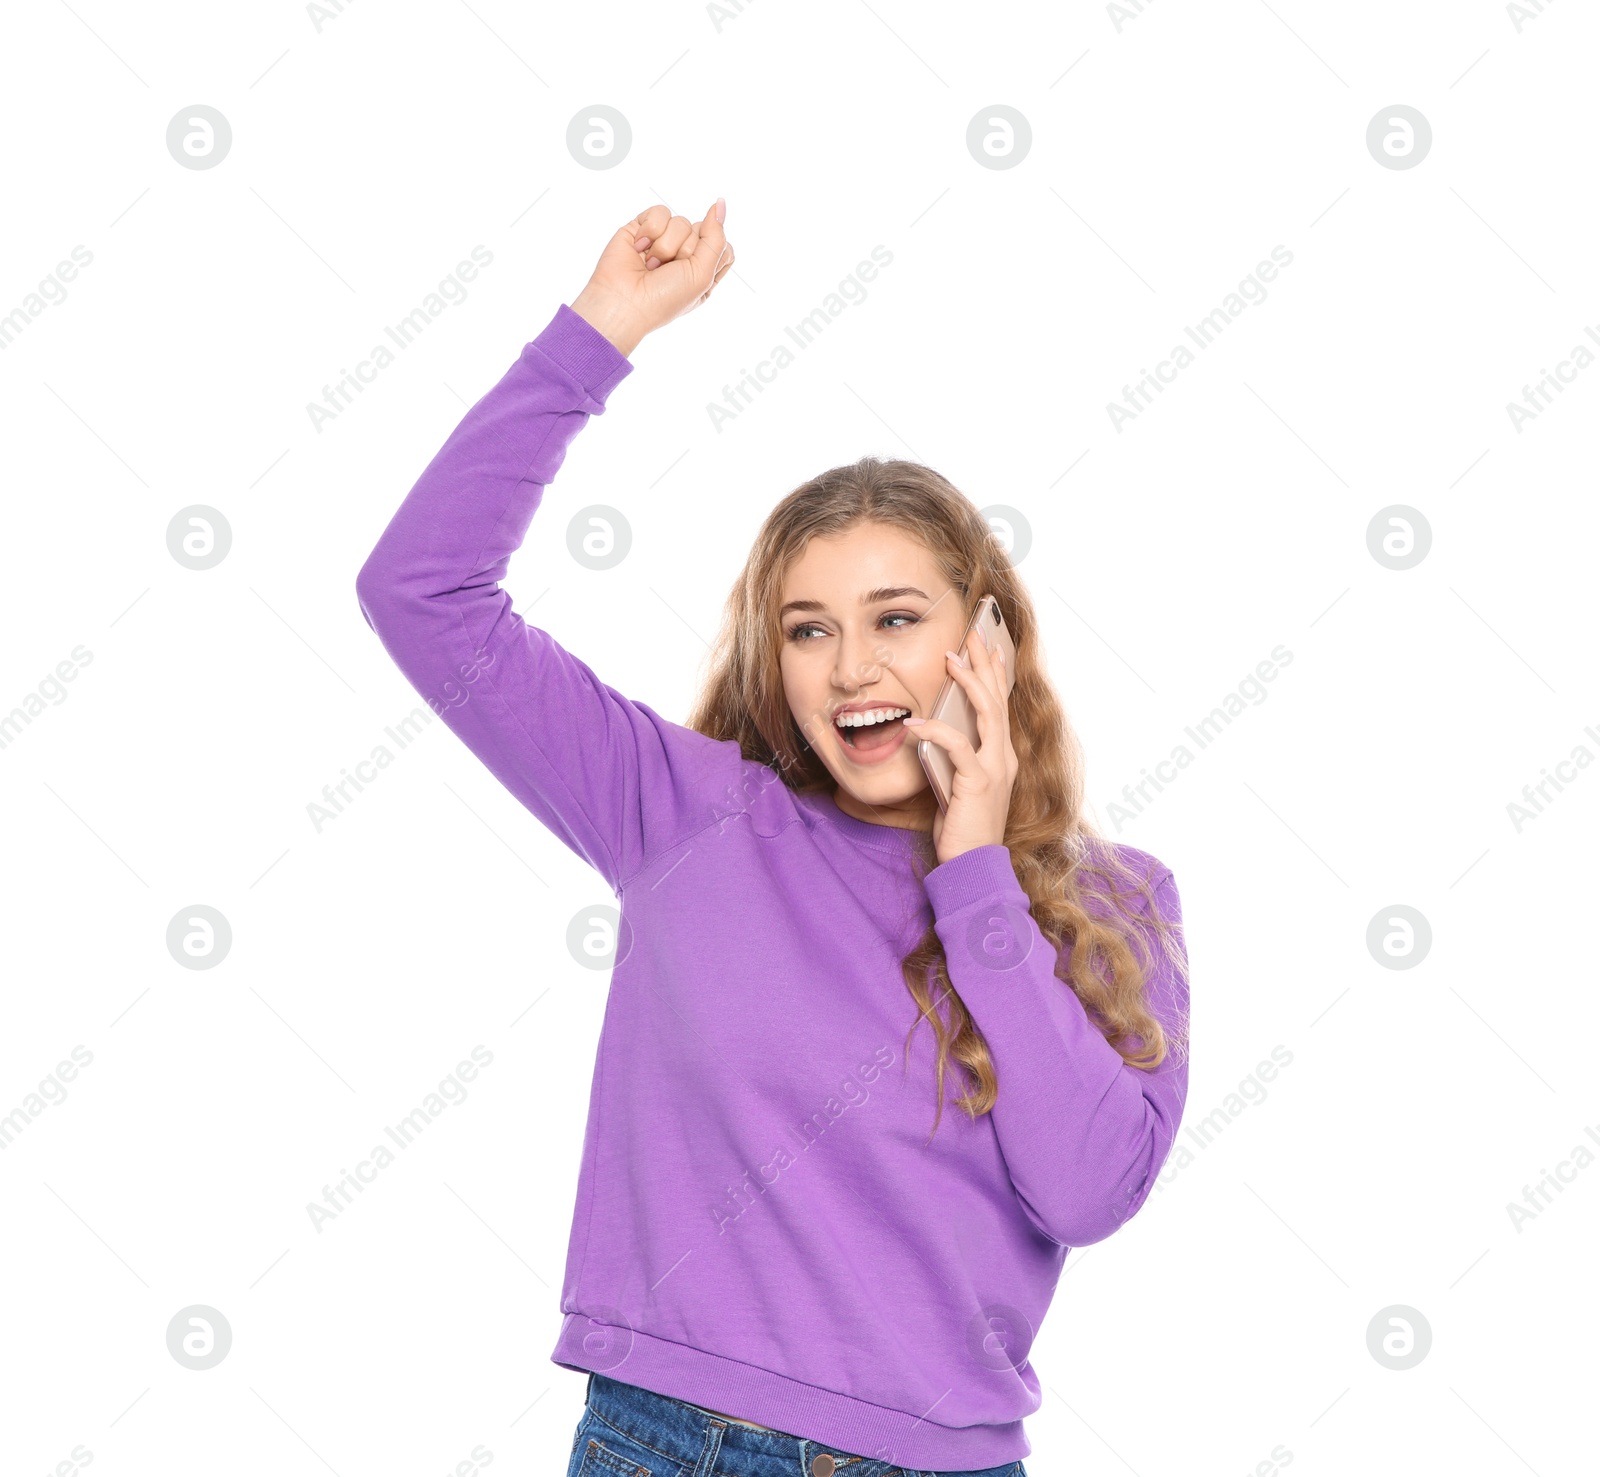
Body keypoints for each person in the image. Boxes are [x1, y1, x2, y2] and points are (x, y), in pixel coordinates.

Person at [355, 198, 1190, 1477]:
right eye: (808, 628)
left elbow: (1086, 1194)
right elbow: (422, 591)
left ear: (985, 637)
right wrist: (604, 332)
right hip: (656, 1442)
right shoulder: (687, 812)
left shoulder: (1113, 900)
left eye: (895, 617)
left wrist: (976, 877)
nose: (851, 665)